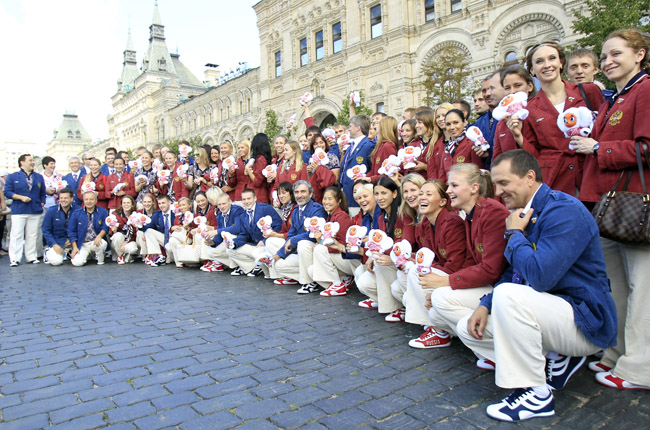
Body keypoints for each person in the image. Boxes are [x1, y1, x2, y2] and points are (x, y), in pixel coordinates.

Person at [450, 150, 617, 422]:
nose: (499, 191)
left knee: (509, 296)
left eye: (504, 183)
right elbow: (514, 274)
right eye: (496, 184)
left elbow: (539, 276)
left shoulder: (563, 210)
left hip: (585, 321)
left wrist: (515, 234)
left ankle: (536, 392)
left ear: (529, 177)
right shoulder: (522, 212)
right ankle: (554, 354)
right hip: (551, 314)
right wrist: (484, 304)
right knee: (467, 329)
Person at [573, 29, 650, 390]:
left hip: (634, 205)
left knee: (643, 288)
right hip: (608, 205)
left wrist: (597, 149)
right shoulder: (616, 98)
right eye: (605, 56)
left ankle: (641, 367)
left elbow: (646, 147)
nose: (608, 62)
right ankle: (616, 351)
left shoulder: (646, 90)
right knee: (616, 284)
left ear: (640, 54)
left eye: (617, 54)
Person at [410, 163, 509, 349]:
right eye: (449, 186)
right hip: (489, 284)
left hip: (501, 288)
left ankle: (505, 343)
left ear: (474, 188)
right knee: (436, 312)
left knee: (440, 298)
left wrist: (447, 281)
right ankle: (486, 346)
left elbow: (491, 269)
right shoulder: (472, 214)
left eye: (454, 186)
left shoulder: (491, 212)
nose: (448, 191)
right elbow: (472, 260)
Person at [521, 42, 604, 195]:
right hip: (556, 182)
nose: (547, 65)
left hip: (591, 174)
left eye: (552, 58)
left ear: (560, 63)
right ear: (532, 70)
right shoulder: (529, 109)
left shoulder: (588, 91)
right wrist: (518, 136)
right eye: (539, 61)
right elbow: (533, 153)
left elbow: (605, 130)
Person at [399, 179, 467, 342]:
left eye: (428, 194)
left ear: (443, 201)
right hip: (445, 271)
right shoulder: (428, 223)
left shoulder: (451, 221)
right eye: (421, 194)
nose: (422, 198)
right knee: (406, 292)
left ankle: (438, 330)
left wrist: (428, 275)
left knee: (416, 271)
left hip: (458, 276)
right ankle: (434, 324)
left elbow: (455, 264)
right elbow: (429, 257)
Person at [270, 180, 327, 292]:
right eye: (297, 192)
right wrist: (277, 255)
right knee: (278, 265)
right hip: (301, 252)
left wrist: (293, 240)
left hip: (314, 249)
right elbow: (291, 234)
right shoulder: (296, 211)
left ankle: (310, 283)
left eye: (303, 192)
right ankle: (304, 276)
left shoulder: (317, 209)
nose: (299, 195)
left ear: (310, 194)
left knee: (303, 243)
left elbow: (312, 235)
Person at [305, 186, 358, 296]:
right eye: (324, 199)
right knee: (311, 270)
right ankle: (343, 280)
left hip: (347, 258)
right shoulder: (330, 216)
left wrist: (321, 243)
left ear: (338, 201)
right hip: (338, 260)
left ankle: (337, 284)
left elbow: (342, 245)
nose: (326, 202)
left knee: (319, 249)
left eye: (330, 199)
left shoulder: (342, 217)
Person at [226, 188, 282, 276]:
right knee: (230, 250)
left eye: (249, 198)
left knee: (268, 275)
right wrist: (234, 243)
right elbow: (244, 235)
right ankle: (254, 267)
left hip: (268, 244)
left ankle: (268, 272)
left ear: (255, 198)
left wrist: (264, 241)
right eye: (244, 199)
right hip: (255, 245)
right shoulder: (243, 215)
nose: (246, 201)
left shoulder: (265, 209)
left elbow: (279, 226)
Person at [4, 154, 46, 266]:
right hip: (19, 210)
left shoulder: (38, 177)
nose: (33, 162)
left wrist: (42, 202)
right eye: (30, 160)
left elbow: (43, 192)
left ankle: (31, 256)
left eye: (33, 160)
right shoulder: (13, 177)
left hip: (35, 210)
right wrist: (20, 197)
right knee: (16, 235)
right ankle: (15, 258)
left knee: (32, 235)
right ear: (22, 163)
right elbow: (7, 192)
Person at [492, 66, 538, 162]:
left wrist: (519, 138)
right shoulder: (501, 123)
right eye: (507, 88)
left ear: (530, 86)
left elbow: (544, 154)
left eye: (517, 85)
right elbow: (497, 159)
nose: (512, 91)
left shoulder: (539, 113)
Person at [201, 192, 245, 272]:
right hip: (228, 239)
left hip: (240, 238)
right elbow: (219, 235)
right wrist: (213, 242)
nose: (222, 206)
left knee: (227, 235)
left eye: (224, 203)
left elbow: (237, 228)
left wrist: (217, 231)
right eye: (219, 204)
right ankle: (230, 264)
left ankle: (239, 265)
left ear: (230, 202)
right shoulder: (219, 216)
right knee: (211, 252)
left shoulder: (237, 210)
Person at [436, 109, 484, 183]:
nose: (452, 127)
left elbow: (478, 174)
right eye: (448, 124)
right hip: (449, 192)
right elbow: (442, 177)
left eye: (455, 123)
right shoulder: (447, 148)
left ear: (465, 122)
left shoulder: (471, 144)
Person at [339, 115, 374, 216]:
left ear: (358, 127)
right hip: (346, 194)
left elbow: (371, 168)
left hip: (357, 196)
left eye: (350, 126)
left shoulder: (368, 145)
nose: (348, 129)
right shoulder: (351, 146)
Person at [475, 71, 507, 169]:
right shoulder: (479, 123)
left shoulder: (509, 115)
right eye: (484, 91)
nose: (488, 94)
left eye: (491, 89)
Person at [69, 191, 109, 266]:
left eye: (91, 199)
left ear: (96, 200)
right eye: (86, 199)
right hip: (83, 243)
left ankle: (100, 260)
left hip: (95, 241)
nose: (89, 201)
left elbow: (105, 226)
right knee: (77, 263)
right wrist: (74, 247)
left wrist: (99, 236)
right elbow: (71, 231)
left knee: (102, 244)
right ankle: (89, 255)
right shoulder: (77, 213)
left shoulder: (102, 211)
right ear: (83, 201)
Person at [42, 188, 75, 266]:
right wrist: (54, 245)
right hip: (57, 241)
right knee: (56, 262)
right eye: (61, 198)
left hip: (71, 241)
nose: (63, 200)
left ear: (71, 199)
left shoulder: (77, 210)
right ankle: (47, 251)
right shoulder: (51, 210)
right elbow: (45, 230)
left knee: (78, 261)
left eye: (66, 198)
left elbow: (81, 229)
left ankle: (67, 252)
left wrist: (73, 240)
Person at [141, 194, 175, 267]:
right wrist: (139, 225)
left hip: (174, 239)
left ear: (169, 202)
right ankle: (158, 256)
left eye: (163, 203)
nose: (161, 205)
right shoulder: (157, 214)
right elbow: (149, 226)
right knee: (149, 231)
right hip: (164, 238)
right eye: (159, 203)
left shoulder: (175, 213)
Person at [306, 132, 339, 203]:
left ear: (325, 143)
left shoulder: (332, 157)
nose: (319, 145)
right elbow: (311, 180)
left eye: (321, 142)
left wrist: (319, 169)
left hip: (329, 193)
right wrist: (309, 172)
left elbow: (335, 180)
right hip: (316, 195)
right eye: (315, 144)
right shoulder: (312, 159)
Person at [366, 116, 400, 183]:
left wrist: (371, 179)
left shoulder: (388, 146)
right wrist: (364, 177)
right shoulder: (381, 145)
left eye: (379, 124)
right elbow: (373, 170)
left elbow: (389, 172)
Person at [109, 195, 139, 264]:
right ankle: (120, 256)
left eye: (128, 203)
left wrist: (126, 242)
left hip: (130, 240)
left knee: (133, 249)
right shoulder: (115, 214)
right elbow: (110, 231)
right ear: (121, 204)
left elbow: (134, 234)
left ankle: (126, 255)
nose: (126, 205)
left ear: (132, 204)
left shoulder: (136, 215)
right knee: (118, 235)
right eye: (124, 203)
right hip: (118, 241)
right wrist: (113, 229)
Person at [165, 197, 194, 268]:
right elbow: (173, 228)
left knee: (173, 237)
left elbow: (195, 229)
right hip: (179, 238)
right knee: (169, 245)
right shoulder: (178, 217)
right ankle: (179, 262)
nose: (182, 207)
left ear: (190, 205)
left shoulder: (194, 216)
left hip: (189, 237)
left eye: (184, 205)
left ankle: (180, 261)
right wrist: (173, 228)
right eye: (180, 205)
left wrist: (187, 227)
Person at [135, 193, 157, 263]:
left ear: (153, 202)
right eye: (145, 202)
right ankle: (146, 255)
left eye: (149, 202)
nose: (147, 204)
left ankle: (149, 255)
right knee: (140, 232)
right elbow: (136, 228)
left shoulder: (156, 213)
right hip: (140, 238)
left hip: (152, 237)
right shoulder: (138, 213)